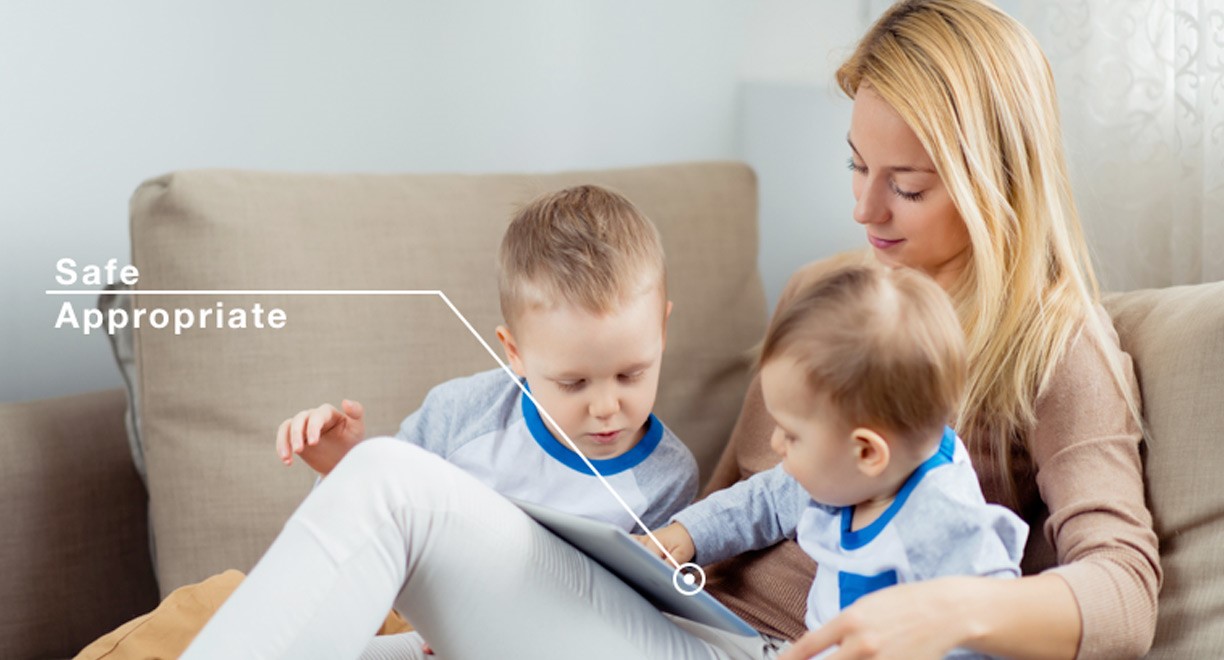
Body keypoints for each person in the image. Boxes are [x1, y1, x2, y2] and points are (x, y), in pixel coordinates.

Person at [184, 1, 1161, 658]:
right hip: (674, 620)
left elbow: (1125, 590)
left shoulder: (1055, 345)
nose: (867, 211)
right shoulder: (831, 291)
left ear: (1000, 177)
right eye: (855, 167)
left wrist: (951, 609)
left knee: (394, 483)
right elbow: (739, 501)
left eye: (907, 185)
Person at [642, 264, 1027, 659]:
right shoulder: (839, 476)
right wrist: (688, 534)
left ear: (867, 452)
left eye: (791, 434)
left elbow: (997, 621)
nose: (775, 443)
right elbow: (765, 502)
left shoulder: (944, 523)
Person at [274, 184, 698, 535]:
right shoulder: (459, 415)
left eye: (630, 374)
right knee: (220, 595)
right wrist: (345, 467)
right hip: (398, 609)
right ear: (514, 352)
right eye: (573, 383)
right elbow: (359, 533)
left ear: (661, 331)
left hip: (523, 635)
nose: (606, 407)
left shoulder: (667, 480)